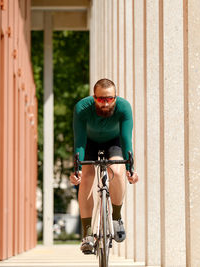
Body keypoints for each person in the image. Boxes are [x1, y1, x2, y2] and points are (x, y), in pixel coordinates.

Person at [70, 78, 139, 254]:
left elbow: (126, 139)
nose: (106, 103)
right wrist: (76, 169)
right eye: (101, 99)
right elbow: (79, 141)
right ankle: (87, 234)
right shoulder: (82, 108)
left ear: (115, 97)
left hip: (113, 142)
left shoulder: (123, 107)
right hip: (89, 142)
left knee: (116, 170)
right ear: (94, 97)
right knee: (86, 177)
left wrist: (131, 169)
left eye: (109, 99)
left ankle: (116, 218)